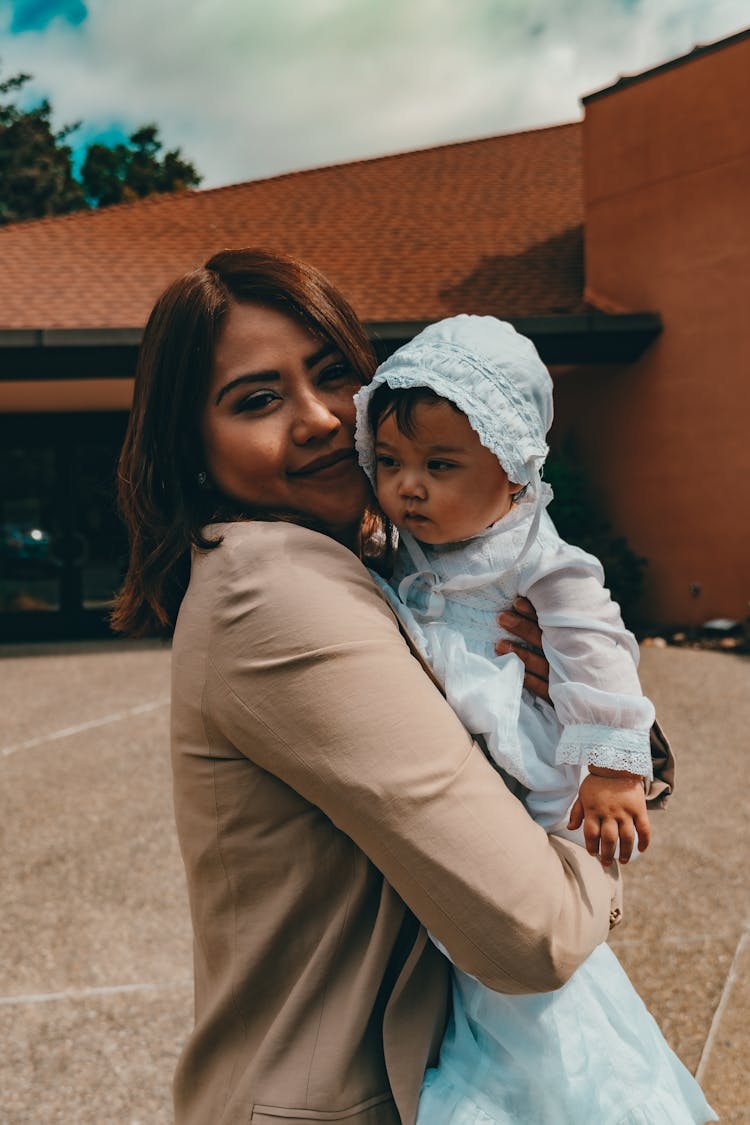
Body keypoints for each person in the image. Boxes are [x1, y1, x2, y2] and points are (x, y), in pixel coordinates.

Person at [112, 248, 664, 1125]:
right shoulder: (274, 588)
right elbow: (537, 931)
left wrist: (579, 711)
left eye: (335, 375)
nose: (322, 418)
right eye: (257, 399)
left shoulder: (382, 562)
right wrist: (605, 794)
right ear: (191, 441)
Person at [353, 314, 716, 1124]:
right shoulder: (404, 544)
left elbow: (599, 655)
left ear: (514, 472)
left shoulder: (540, 559)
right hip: (458, 769)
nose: (410, 485)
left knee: (522, 972)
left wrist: (618, 771)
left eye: (440, 465)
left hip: (528, 769)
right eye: (390, 461)